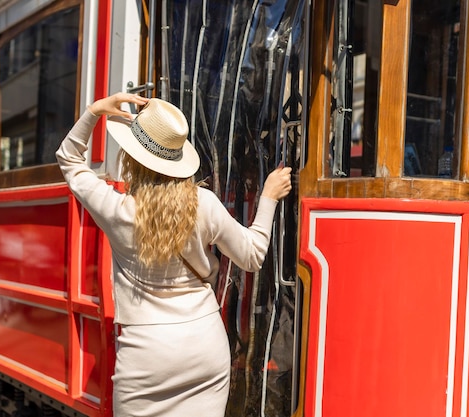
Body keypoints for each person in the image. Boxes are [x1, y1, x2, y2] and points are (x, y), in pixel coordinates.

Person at [56, 92, 292, 417]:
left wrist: (95, 111)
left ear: (132, 157)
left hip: (146, 355)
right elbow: (252, 256)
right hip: (204, 347)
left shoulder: (116, 209)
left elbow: (69, 159)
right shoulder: (204, 203)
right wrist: (268, 197)